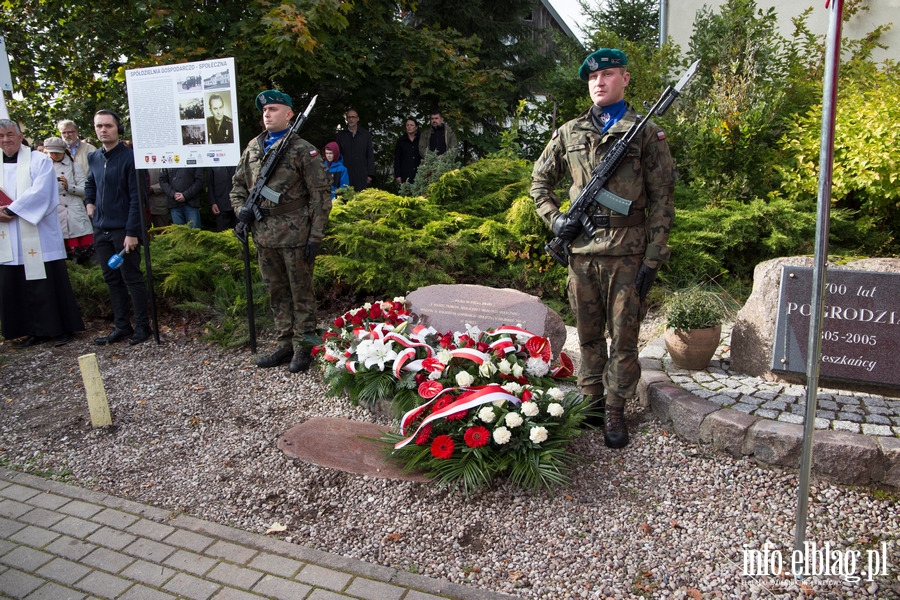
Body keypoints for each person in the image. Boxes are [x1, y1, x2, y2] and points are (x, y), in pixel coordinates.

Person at [530, 48, 675, 449]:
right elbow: (539, 183)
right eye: (593, 78)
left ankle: (615, 408)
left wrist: (653, 256)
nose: (599, 82)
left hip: (628, 253)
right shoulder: (569, 132)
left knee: (624, 337)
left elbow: (663, 198)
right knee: (589, 335)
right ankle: (591, 401)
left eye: (608, 75)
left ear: (625, 79)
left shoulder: (645, 131)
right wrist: (556, 219)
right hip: (581, 253)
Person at [230, 90, 332, 373]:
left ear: (289, 114)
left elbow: (321, 196)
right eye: (265, 110)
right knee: (276, 292)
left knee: (301, 293)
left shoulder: (303, 149)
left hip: (295, 235)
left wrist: (315, 236)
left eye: (273, 109)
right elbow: (238, 186)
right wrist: (242, 212)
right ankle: (284, 343)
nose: (267, 114)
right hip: (263, 234)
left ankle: (304, 347)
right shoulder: (253, 147)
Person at [0, 120, 84, 348]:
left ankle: (62, 328)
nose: (5, 140)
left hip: (38, 235)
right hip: (9, 237)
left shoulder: (39, 160)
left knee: (47, 282)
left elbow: (43, 192)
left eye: (10, 134)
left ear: (19, 136)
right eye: (1, 136)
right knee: (18, 284)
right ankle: (33, 330)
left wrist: (10, 209)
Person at [84, 109, 152, 346]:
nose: (103, 130)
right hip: (101, 230)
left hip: (123, 231)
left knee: (131, 278)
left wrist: (132, 232)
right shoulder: (93, 157)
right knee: (111, 279)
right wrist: (89, 202)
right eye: (99, 126)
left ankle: (143, 326)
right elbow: (90, 183)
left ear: (118, 128)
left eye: (108, 126)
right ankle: (122, 326)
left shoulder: (130, 157)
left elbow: (137, 198)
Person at [43, 137, 94, 263]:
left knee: (83, 257)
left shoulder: (74, 166)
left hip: (74, 214)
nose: (54, 155)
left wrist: (69, 187)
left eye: (57, 152)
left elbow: (85, 190)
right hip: (55, 213)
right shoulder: (44, 167)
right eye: (51, 153)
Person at [335, 108, 374, 191]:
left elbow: (370, 154)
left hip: (361, 173)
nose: (351, 119)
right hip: (345, 173)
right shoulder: (341, 135)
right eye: (349, 117)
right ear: (346, 119)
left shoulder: (365, 135)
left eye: (353, 117)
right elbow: (337, 155)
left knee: (360, 199)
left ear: (358, 119)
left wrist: (370, 174)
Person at [207, 165, 237, 231]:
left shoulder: (237, 159)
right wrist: (213, 203)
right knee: (222, 232)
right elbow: (210, 184)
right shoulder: (213, 163)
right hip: (220, 204)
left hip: (237, 203)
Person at [393, 118, 421, 184]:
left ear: (416, 127)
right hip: (405, 173)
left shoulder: (421, 139)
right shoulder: (401, 141)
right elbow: (397, 158)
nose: (409, 127)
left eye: (411, 125)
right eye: (407, 125)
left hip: (419, 172)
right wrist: (398, 175)